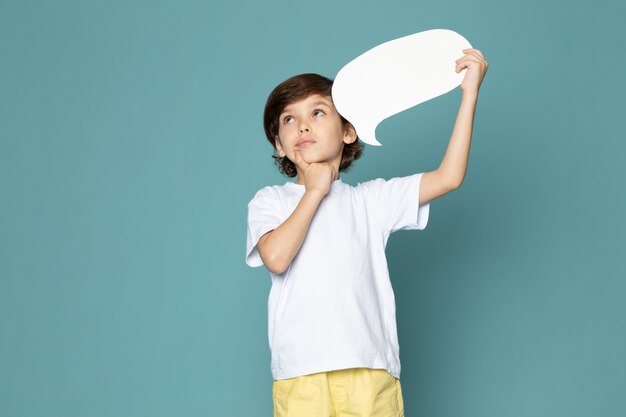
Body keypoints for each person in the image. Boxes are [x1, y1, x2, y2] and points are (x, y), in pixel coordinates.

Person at [246, 49, 488, 416]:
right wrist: (314, 190)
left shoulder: (371, 200)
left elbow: (448, 177)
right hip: (300, 375)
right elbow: (277, 258)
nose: (303, 126)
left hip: (370, 369)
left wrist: (469, 95)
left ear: (348, 130)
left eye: (318, 112)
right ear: (280, 144)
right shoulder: (271, 201)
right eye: (289, 119)